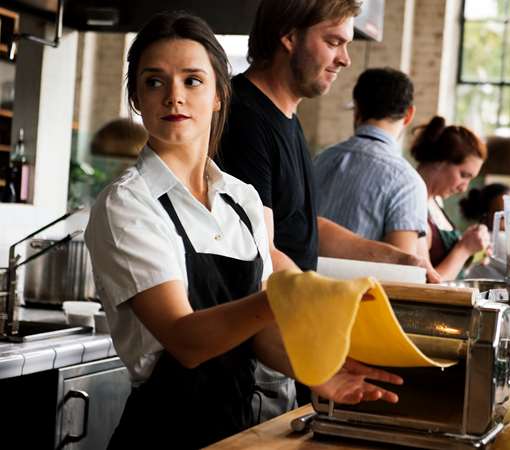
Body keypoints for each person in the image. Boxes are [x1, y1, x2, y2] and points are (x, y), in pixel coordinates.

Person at [84, 12, 402, 449]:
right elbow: (185, 339)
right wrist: (285, 297)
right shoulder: (129, 204)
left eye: (193, 81)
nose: (174, 96)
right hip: (162, 432)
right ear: (137, 99)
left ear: (218, 95)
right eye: (154, 82)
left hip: (236, 431)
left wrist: (316, 370)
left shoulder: (241, 198)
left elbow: (257, 335)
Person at [217, 0, 439, 419]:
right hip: (255, 354)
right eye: (333, 41)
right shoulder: (245, 117)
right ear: (289, 36)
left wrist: (399, 259)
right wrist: (333, 307)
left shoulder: (286, 117)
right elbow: (261, 249)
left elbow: (301, 225)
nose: (345, 58)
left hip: (285, 340)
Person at [313, 67, 426, 255]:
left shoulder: (320, 160)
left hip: (301, 282)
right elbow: (402, 272)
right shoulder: (408, 182)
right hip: (362, 285)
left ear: (356, 108)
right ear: (409, 115)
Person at [411, 116, 490, 281]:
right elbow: (425, 285)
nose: (464, 187)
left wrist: (473, 250)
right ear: (440, 161)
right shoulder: (413, 208)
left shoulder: (435, 201)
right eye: (463, 175)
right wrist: (464, 249)